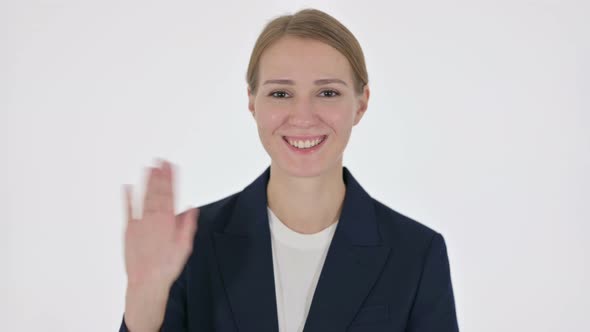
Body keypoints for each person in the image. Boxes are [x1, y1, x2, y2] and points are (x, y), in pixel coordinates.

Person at [119, 8, 459, 332]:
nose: (303, 116)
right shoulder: (188, 244)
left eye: (327, 92)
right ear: (252, 102)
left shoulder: (417, 254)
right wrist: (144, 305)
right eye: (281, 93)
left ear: (362, 103)